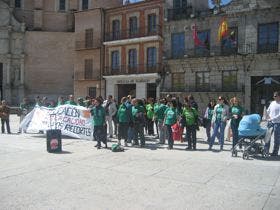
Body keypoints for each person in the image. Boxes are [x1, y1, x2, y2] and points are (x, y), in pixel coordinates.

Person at [265, 91, 280, 156]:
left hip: (278, 123)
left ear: (279, 96)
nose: (274, 97)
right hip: (270, 122)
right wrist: (266, 115)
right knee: (267, 137)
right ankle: (266, 151)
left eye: (275, 96)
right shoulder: (272, 103)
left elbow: (279, 115)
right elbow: (268, 110)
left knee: (276, 139)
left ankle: (275, 152)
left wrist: (272, 118)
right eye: (274, 96)